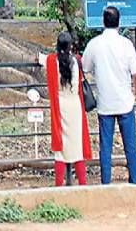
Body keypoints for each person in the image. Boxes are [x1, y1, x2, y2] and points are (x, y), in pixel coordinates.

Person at [82, 5, 136, 185]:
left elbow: (85, 67)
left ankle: (106, 182)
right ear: (119, 22)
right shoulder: (125, 44)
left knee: (105, 148)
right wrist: (135, 94)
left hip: (105, 103)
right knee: (130, 146)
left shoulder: (94, 44)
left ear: (103, 22)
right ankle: (134, 181)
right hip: (125, 102)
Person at [41, 31, 91, 186]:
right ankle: (83, 183)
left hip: (60, 105)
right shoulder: (77, 61)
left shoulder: (51, 61)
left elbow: (43, 58)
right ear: (71, 46)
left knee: (61, 150)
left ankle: (59, 185)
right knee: (77, 145)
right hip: (75, 104)